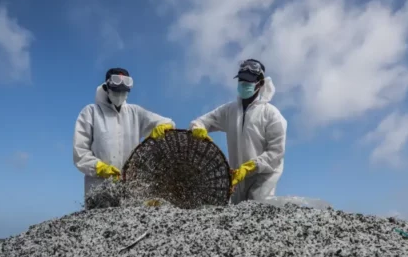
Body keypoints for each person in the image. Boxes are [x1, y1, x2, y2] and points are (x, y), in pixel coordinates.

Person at [189, 59, 287, 204]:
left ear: (259, 84)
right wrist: (199, 130)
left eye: (248, 81)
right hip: (236, 177)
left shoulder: (272, 115)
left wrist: (251, 166)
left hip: (263, 177)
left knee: (257, 212)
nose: (243, 84)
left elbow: (276, 152)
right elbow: (200, 122)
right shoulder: (229, 111)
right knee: (237, 218)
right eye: (241, 80)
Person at [73, 68, 175, 198]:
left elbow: (168, 123)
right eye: (116, 91)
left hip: (131, 189)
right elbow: (80, 153)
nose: (120, 95)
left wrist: (162, 127)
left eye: (123, 92)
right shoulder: (91, 113)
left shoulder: (135, 113)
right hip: (98, 189)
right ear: (106, 88)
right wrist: (98, 167)